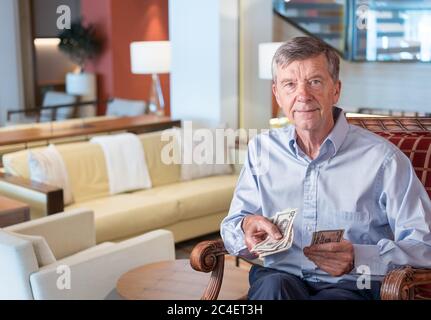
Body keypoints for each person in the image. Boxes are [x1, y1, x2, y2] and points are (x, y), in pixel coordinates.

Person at [220, 36, 431, 300]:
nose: (303, 96)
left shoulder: (384, 159)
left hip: (354, 285)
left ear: (336, 90)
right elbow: (232, 227)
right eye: (290, 84)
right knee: (272, 288)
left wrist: (359, 256)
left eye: (315, 82)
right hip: (280, 278)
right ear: (277, 94)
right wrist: (246, 228)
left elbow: (424, 247)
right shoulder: (262, 150)